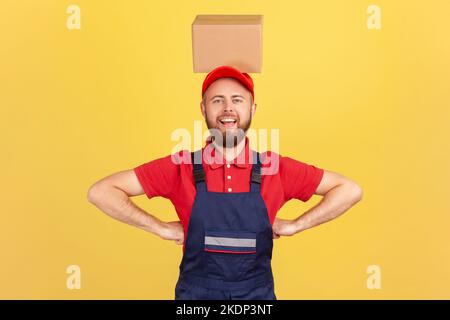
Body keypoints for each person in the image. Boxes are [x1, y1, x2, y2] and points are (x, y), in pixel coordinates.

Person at [87, 65, 363, 300]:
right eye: (217, 100)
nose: (228, 108)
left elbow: (350, 190)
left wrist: (295, 225)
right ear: (203, 108)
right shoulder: (181, 166)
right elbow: (101, 192)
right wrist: (160, 229)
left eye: (237, 100)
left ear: (253, 108)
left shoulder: (274, 168)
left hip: (256, 297)